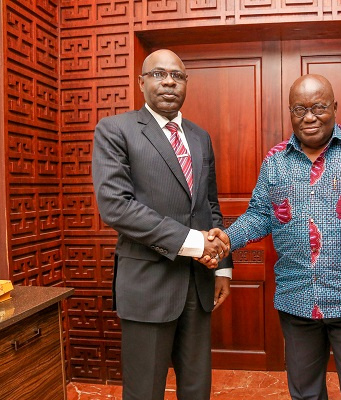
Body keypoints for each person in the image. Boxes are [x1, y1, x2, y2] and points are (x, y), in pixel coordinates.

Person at [212, 74, 341, 399]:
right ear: (290, 112)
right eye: (299, 109)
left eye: (319, 107)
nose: (309, 117)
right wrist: (224, 239)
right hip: (297, 298)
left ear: (334, 107)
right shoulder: (275, 160)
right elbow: (260, 215)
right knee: (305, 394)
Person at [92, 49, 233, 400]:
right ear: (141, 82)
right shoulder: (115, 130)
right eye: (158, 74)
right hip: (147, 285)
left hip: (198, 284)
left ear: (186, 83)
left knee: (197, 387)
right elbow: (116, 208)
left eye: (178, 75)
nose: (169, 81)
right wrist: (196, 243)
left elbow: (210, 205)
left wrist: (223, 269)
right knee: (144, 390)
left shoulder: (200, 137)